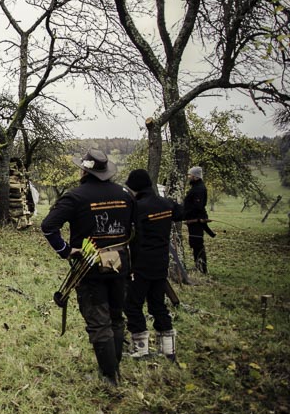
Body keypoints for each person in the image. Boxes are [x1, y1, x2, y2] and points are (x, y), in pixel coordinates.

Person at [41, 149, 135, 386]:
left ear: (84, 170)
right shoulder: (125, 194)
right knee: (115, 316)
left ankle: (109, 376)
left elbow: (49, 226)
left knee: (99, 320)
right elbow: (137, 227)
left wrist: (65, 250)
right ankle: (113, 369)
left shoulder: (75, 196)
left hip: (89, 267)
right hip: (120, 263)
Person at [123, 169, 183, 361]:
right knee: (158, 305)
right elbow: (182, 212)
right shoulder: (166, 204)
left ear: (135, 188)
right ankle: (168, 350)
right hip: (161, 263)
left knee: (133, 305)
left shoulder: (137, 207)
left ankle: (140, 349)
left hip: (140, 265)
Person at [183, 166, 214, 274]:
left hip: (196, 221)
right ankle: (198, 266)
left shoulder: (199, 189)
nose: (188, 177)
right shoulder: (196, 187)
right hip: (193, 220)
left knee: (197, 243)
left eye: (190, 175)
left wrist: (187, 216)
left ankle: (202, 268)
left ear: (195, 177)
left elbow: (197, 207)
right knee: (195, 243)